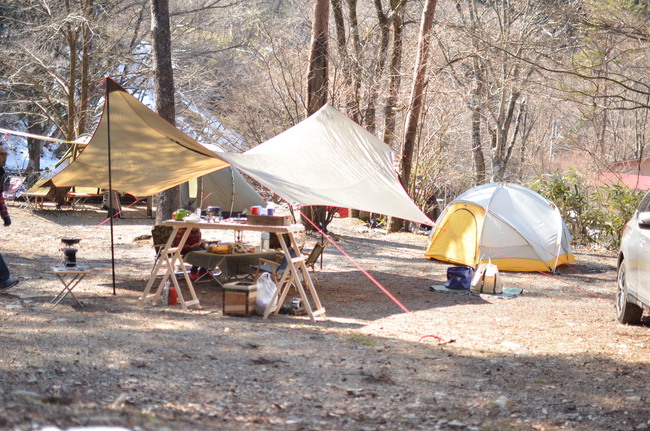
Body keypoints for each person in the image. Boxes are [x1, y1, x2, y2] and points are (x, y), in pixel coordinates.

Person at [0, 145, 19, 290]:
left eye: (6, 154)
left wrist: (5, 215)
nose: (5, 157)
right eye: (2, 154)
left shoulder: (1, 173)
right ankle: (2, 279)